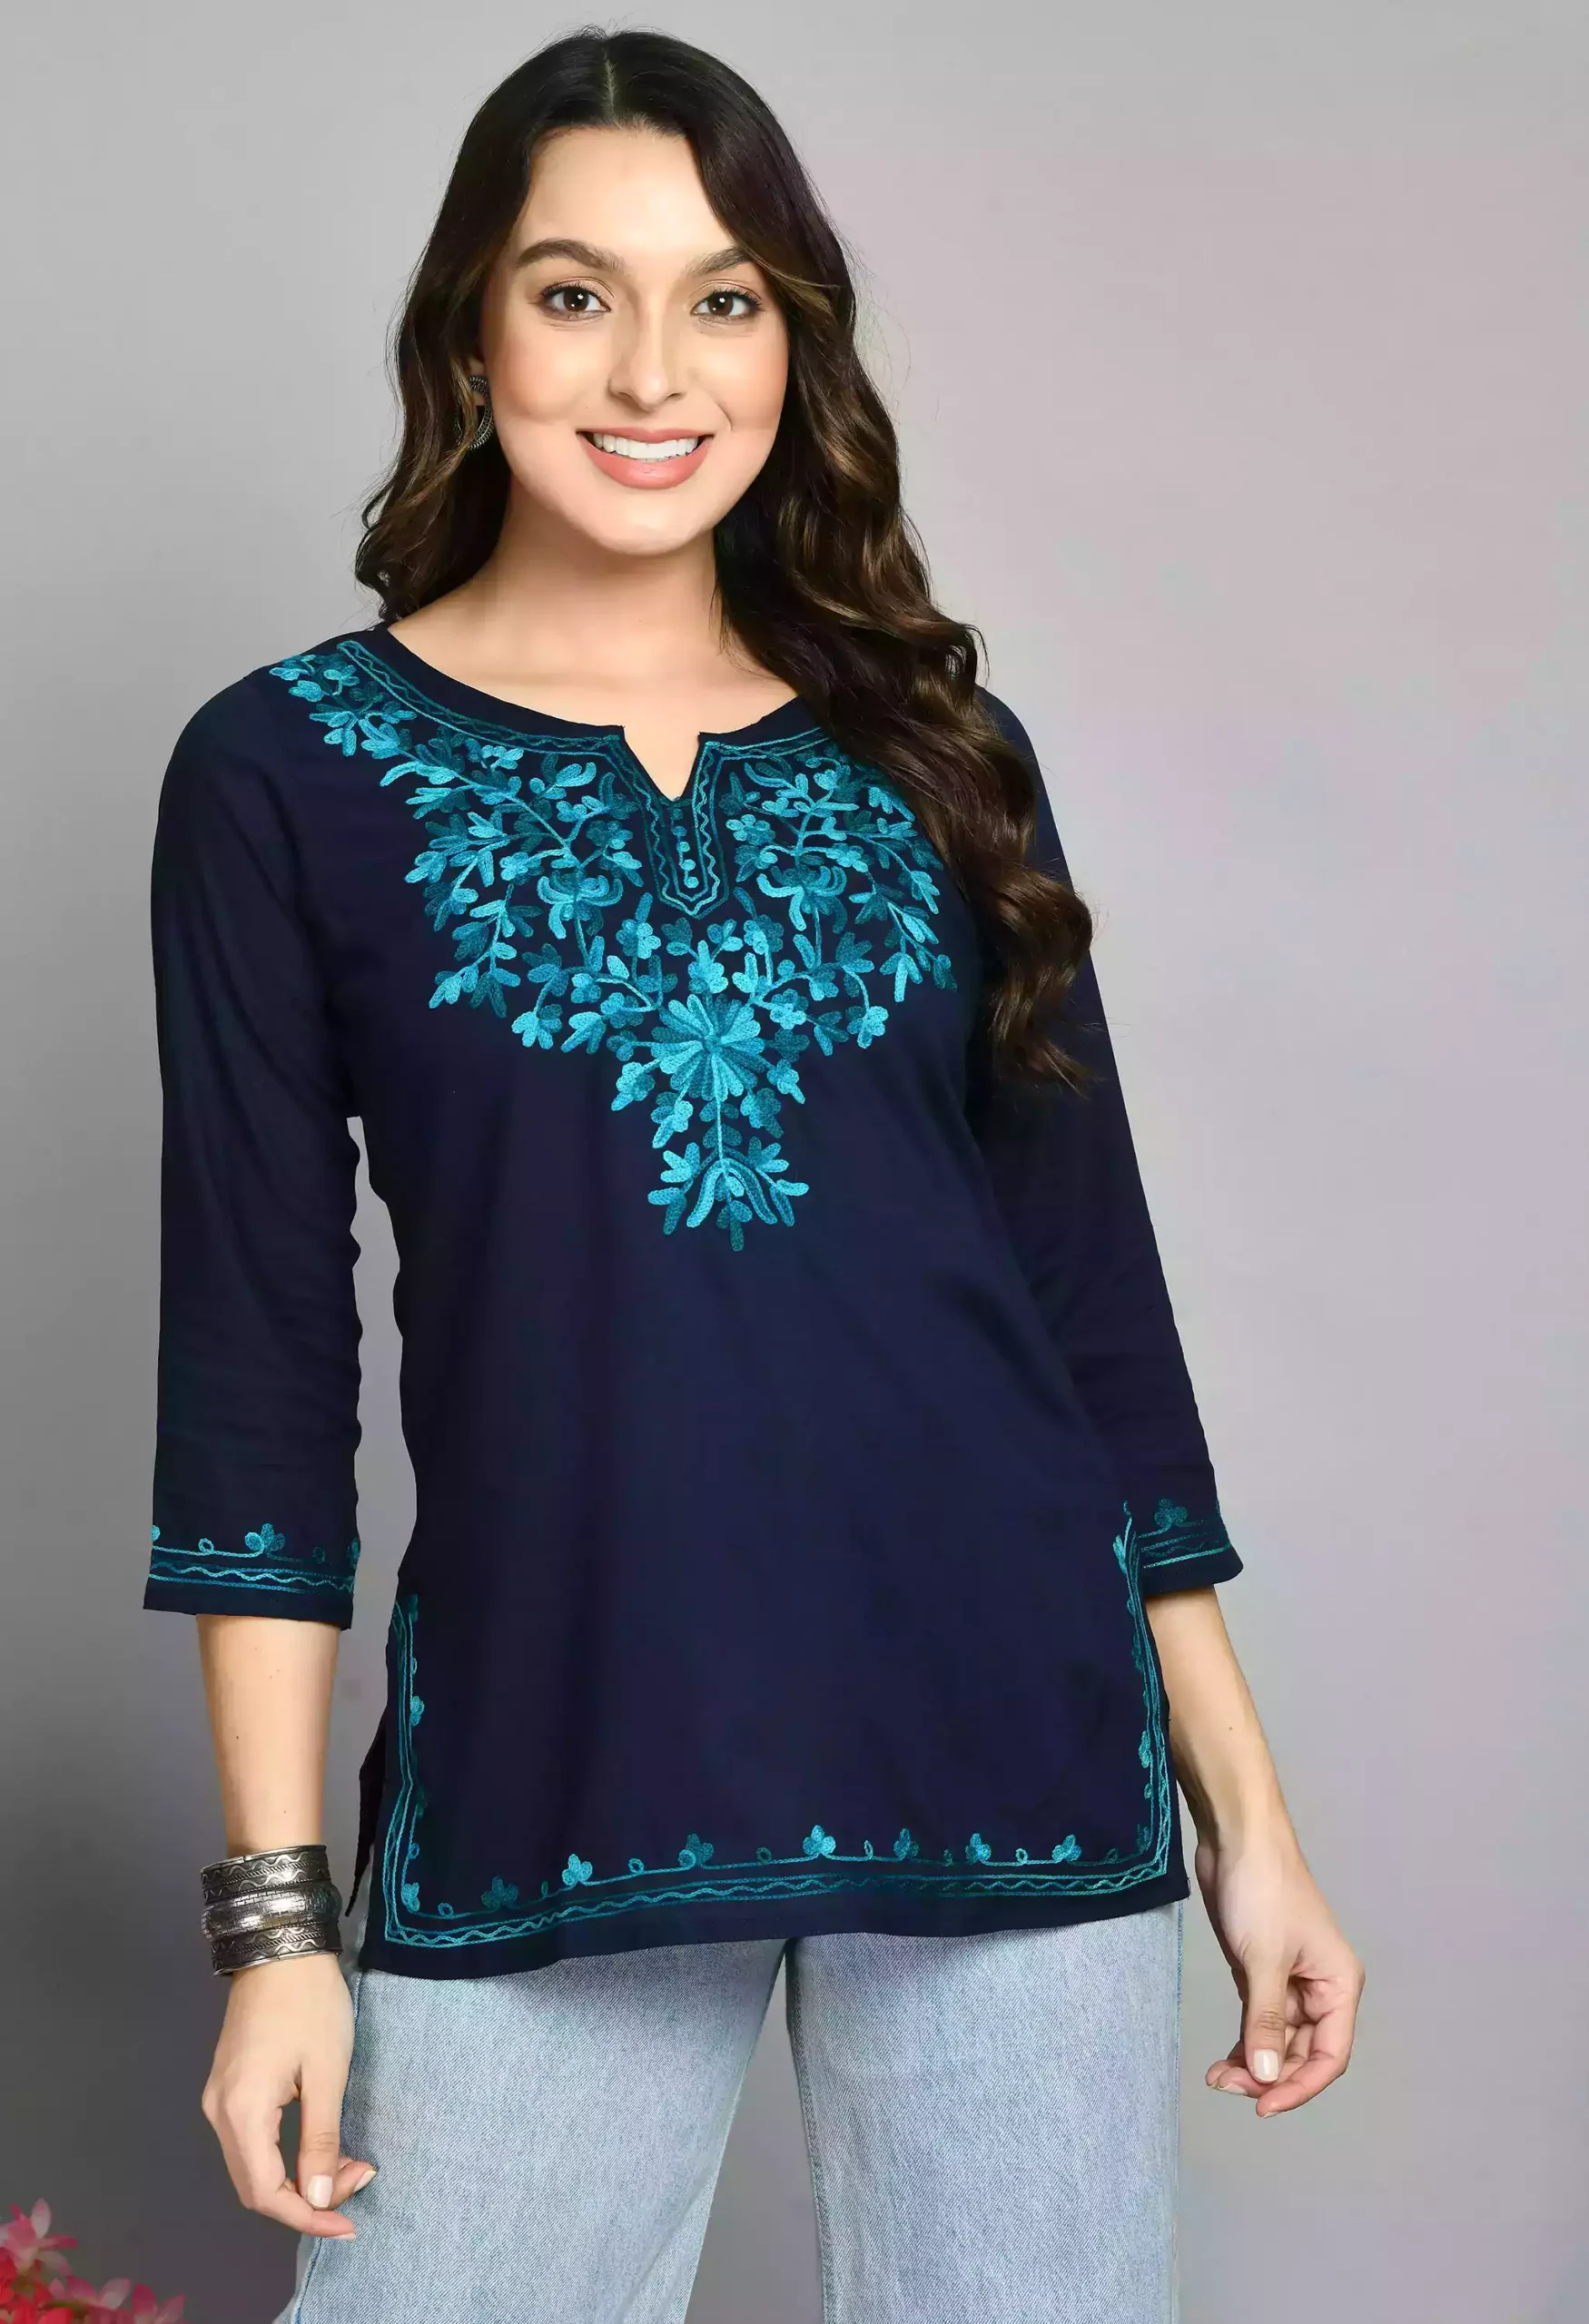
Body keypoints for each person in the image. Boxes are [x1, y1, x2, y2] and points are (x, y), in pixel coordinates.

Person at [143, 26, 1364, 2323]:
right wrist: (279, 1925)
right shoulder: (287, 774)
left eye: (721, 300)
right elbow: (258, 1381)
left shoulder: (940, 753)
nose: (652, 371)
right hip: (562, 1753)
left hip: (1012, 1745)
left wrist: (1251, 1824)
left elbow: (1091, 1314)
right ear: (469, 333)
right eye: (573, 293)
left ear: (791, 346)